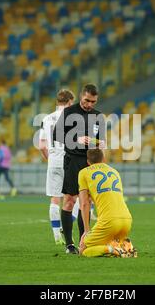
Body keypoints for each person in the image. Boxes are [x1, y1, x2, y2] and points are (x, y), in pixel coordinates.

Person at [53, 83, 106, 254]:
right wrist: (76, 138)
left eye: (93, 101)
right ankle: (69, 244)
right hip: (73, 161)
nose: (89, 104)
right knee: (70, 201)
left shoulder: (99, 117)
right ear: (81, 96)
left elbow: (101, 140)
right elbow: (56, 135)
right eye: (87, 100)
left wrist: (102, 144)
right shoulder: (69, 112)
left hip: (90, 164)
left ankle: (85, 241)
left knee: (87, 204)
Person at [38, 89, 80, 245]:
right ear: (69, 102)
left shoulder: (47, 119)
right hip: (69, 159)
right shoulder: (74, 117)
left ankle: (57, 235)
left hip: (53, 160)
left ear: (57, 102)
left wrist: (50, 159)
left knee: (55, 199)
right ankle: (67, 224)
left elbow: (42, 145)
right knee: (75, 197)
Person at [78, 149, 137, 258]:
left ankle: (112, 248)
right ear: (103, 158)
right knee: (103, 244)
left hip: (109, 222)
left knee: (83, 249)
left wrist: (86, 230)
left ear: (88, 161)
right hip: (127, 220)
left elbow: (85, 203)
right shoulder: (115, 171)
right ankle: (124, 246)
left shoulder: (84, 173)